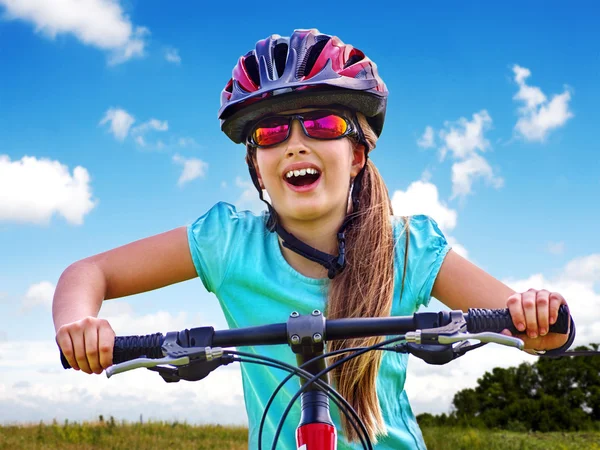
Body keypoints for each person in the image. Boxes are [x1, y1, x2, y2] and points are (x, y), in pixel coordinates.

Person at [53, 29, 575, 449]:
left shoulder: (408, 248)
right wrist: (80, 324)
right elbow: (87, 273)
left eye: (323, 124)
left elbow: (540, 331)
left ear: (358, 155)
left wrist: (535, 312)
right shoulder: (228, 244)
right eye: (272, 134)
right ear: (257, 167)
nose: (296, 145)